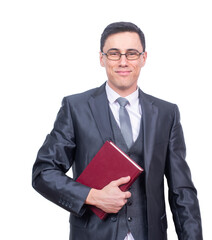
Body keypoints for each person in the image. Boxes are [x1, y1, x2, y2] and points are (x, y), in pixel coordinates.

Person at [32, 22, 202, 240]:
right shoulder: (76, 108)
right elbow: (43, 173)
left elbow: (182, 192)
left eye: (131, 53)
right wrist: (92, 196)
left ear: (143, 58)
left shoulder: (166, 113)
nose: (123, 61)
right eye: (114, 53)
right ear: (102, 58)